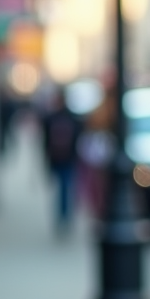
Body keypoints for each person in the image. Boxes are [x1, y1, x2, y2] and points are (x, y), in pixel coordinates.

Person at [42, 89, 82, 235]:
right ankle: (65, 216)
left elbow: (45, 142)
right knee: (66, 188)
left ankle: (62, 216)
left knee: (61, 189)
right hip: (68, 158)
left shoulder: (50, 117)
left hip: (57, 159)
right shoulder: (73, 118)